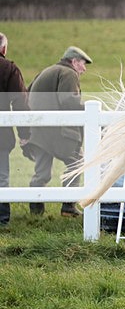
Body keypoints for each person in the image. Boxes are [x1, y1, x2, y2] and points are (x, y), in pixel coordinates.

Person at [27, 46, 93, 217]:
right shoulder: (68, 73)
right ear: (74, 61)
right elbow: (68, 100)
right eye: (83, 64)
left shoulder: (46, 71)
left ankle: (35, 211)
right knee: (77, 163)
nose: (84, 69)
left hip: (38, 132)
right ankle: (68, 207)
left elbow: (27, 94)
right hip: (59, 133)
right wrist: (89, 110)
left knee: (42, 172)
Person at [0, 33, 31, 225]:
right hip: (1, 135)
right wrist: (24, 134)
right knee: (1, 177)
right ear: (3, 49)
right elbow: (20, 102)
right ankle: (1, 219)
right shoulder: (8, 68)